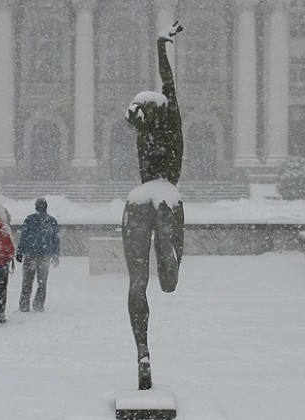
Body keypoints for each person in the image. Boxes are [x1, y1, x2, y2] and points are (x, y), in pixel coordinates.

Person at [122, 21, 185, 390]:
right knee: (168, 284)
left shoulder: (143, 130)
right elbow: (168, 83)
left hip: (138, 199)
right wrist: (162, 48)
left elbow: (139, 110)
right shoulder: (170, 117)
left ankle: (142, 350)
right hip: (167, 198)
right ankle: (168, 257)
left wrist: (159, 45)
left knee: (137, 282)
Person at [16, 197, 60, 313]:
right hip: (45, 255)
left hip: (30, 254)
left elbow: (24, 236)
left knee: (27, 282)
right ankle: (38, 305)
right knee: (42, 283)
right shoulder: (52, 221)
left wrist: (20, 251)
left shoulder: (30, 219)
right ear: (46, 207)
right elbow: (55, 240)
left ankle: (24, 306)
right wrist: (55, 255)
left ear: (36, 207)